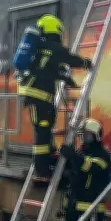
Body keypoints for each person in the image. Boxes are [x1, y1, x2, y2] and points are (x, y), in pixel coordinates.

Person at [17, 14, 92, 178]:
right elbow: (70, 59)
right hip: (39, 96)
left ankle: (47, 157)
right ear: (56, 29)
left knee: (45, 126)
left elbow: (47, 70)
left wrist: (66, 78)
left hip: (35, 94)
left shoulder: (40, 47)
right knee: (43, 129)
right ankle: (42, 168)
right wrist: (86, 63)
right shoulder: (54, 47)